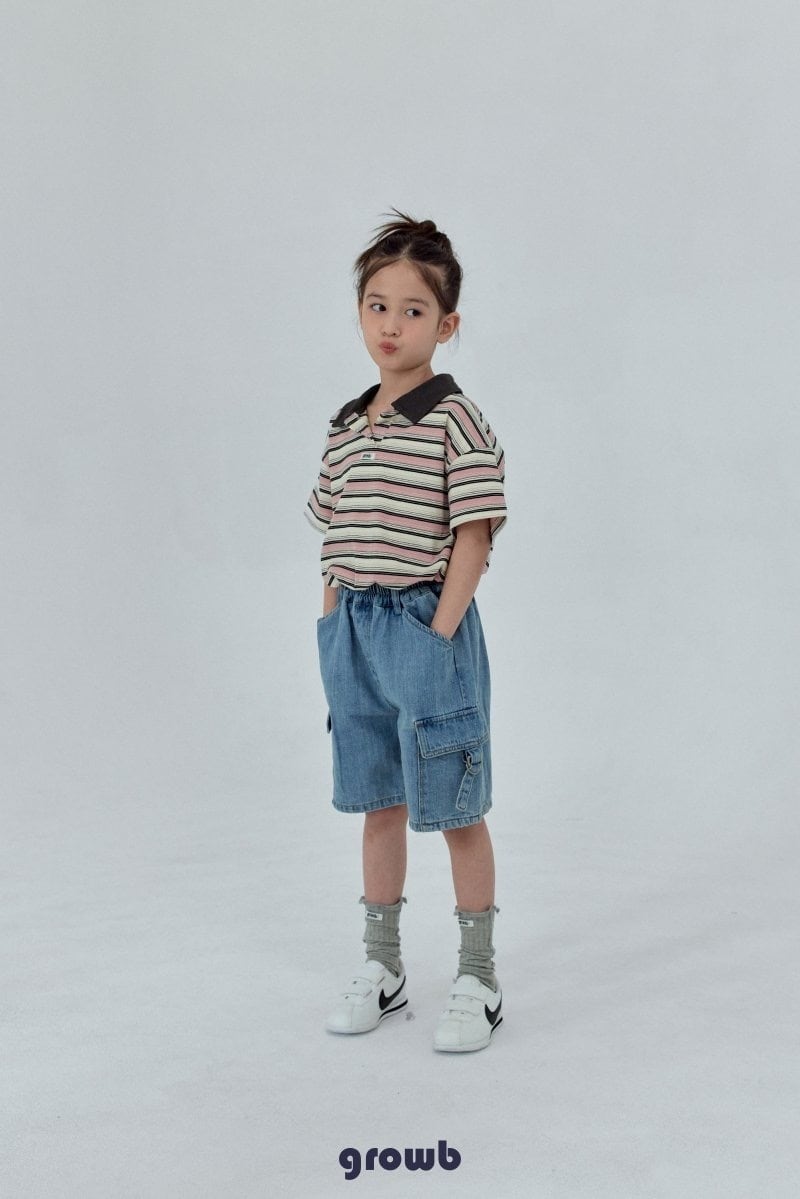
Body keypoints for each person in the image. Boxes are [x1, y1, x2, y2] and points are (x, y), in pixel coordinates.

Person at [306, 211, 507, 1053]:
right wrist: (330, 619)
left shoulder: (456, 419)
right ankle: (382, 966)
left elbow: (474, 535)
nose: (391, 325)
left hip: (424, 627)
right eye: (377, 306)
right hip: (352, 632)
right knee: (377, 801)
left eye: (413, 310)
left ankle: (477, 975)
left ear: (446, 325)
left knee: (456, 804)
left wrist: (437, 631)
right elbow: (332, 530)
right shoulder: (346, 424)